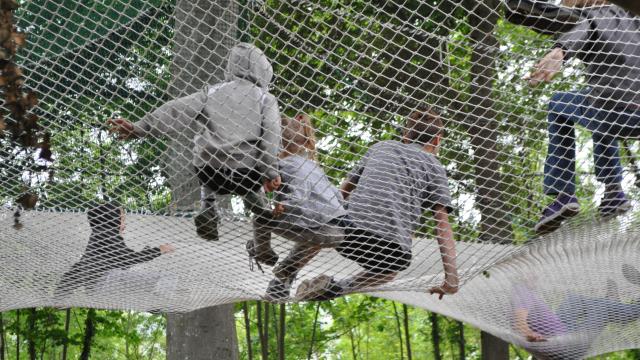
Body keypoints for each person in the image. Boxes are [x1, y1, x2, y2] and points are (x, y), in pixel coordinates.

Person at [107, 42, 282, 242]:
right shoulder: (265, 99)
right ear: (264, 70)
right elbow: (271, 135)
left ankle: (207, 206)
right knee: (249, 177)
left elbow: (176, 110)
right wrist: (271, 171)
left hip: (209, 170)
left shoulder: (212, 92)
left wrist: (140, 127)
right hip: (245, 171)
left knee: (207, 154)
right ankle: (258, 205)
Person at [296, 109, 459, 301]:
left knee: (325, 227)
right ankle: (339, 287)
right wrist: (451, 279)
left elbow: (343, 192)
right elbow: (442, 225)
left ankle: (285, 276)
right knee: (389, 272)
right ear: (437, 140)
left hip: (350, 231)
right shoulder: (435, 167)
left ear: (405, 136)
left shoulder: (382, 147)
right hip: (392, 250)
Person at [527, 0, 640, 235]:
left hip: (612, 109)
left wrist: (560, 51)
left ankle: (563, 192)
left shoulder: (594, 14)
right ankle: (613, 193)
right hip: (633, 115)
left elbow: (582, 27)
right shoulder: (636, 20)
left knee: (559, 102)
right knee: (595, 105)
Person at [255, 114, 348, 301]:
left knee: (260, 217)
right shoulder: (313, 166)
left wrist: (284, 205)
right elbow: (337, 196)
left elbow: (299, 192)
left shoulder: (284, 165)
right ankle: (281, 283)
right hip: (338, 230)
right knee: (311, 237)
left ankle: (263, 251)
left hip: (320, 228)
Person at [55, 203, 174, 296]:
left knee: (143, 281)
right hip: (105, 283)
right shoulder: (106, 234)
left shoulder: (97, 237)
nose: (124, 225)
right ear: (113, 219)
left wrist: (60, 293)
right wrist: (159, 250)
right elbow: (129, 258)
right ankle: (164, 301)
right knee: (166, 277)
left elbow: (80, 267)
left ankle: (158, 301)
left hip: (96, 290)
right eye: (122, 219)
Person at [512, 266, 640, 350]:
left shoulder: (525, 291)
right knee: (603, 308)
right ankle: (631, 309)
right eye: (529, 270)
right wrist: (529, 333)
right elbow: (519, 322)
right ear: (519, 274)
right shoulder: (521, 290)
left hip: (562, 327)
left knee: (573, 299)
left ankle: (610, 302)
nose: (535, 275)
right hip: (568, 342)